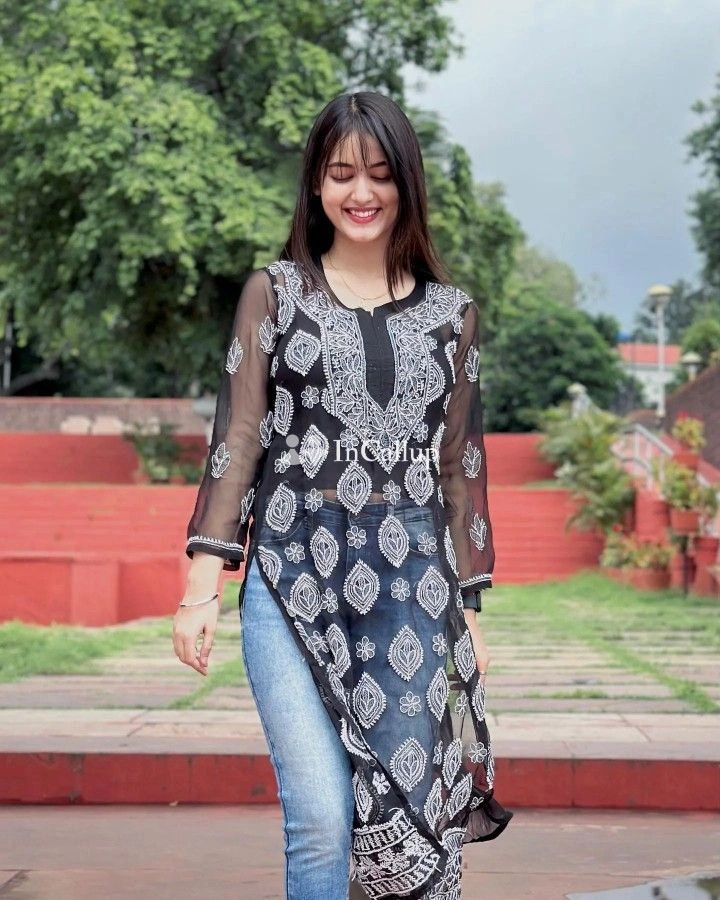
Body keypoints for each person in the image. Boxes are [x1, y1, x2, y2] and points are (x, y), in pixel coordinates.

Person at [173, 90, 513, 900]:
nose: (361, 193)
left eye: (380, 174)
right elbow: (239, 437)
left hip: (412, 595)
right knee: (322, 818)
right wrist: (200, 586)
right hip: (290, 581)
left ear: (407, 184)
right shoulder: (275, 294)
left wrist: (468, 606)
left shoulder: (452, 315)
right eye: (341, 174)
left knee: (403, 816)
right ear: (316, 186)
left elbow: (459, 464)